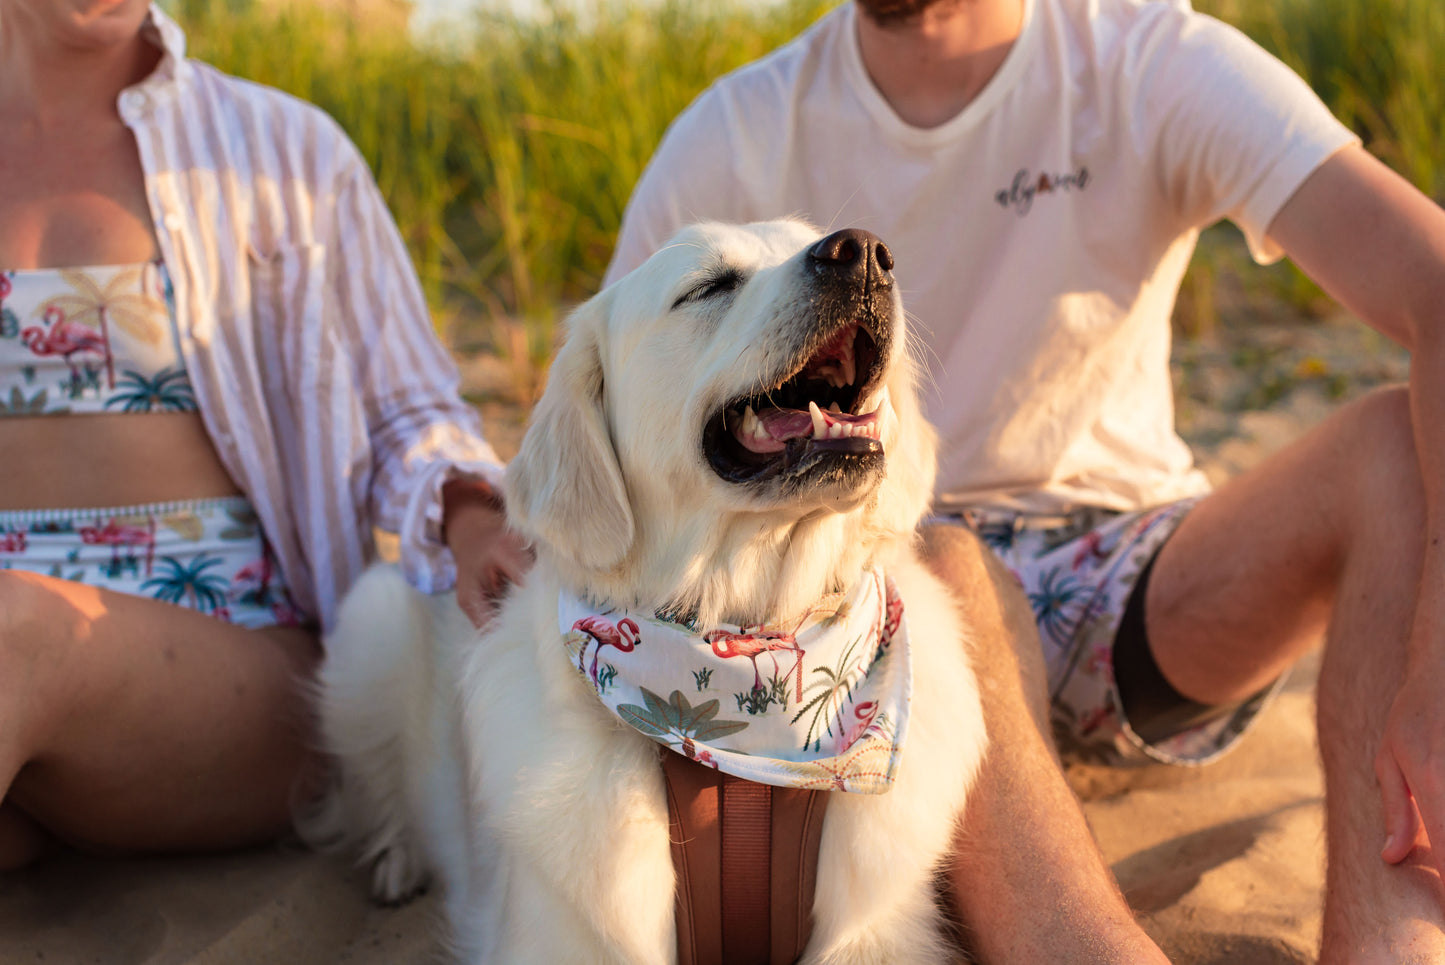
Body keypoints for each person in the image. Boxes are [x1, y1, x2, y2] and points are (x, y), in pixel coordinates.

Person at [605, 0, 1445, 961]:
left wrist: (1439, 667)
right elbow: (614, 401)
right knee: (948, 561)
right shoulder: (738, 127)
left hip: (1138, 587)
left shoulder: (1146, 61)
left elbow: (1434, 285)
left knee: (1389, 448)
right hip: (871, 600)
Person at [0, 0, 528, 870]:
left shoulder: (281, 153)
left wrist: (470, 509)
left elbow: (408, 410)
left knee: (18, 629)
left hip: (226, 662)